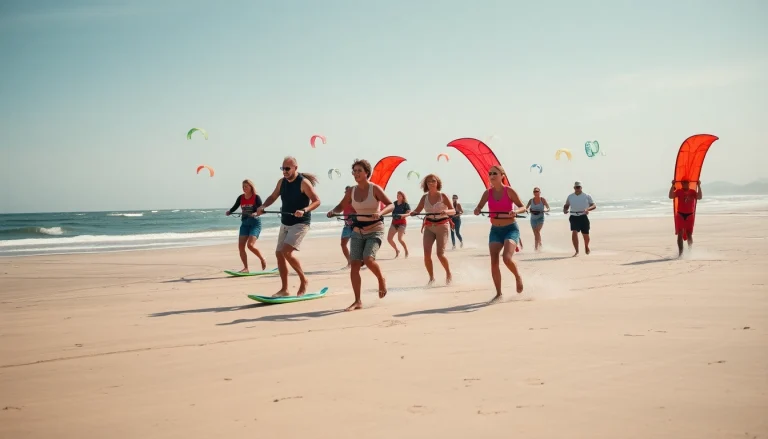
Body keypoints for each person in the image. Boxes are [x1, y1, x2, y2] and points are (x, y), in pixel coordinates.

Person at [327, 159, 394, 311]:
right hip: (357, 229)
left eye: (359, 171)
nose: (356, 174)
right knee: (355, 264)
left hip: (375, 229)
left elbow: (391, 204)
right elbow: (341, 205)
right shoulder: (351, 190)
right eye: (354, 171)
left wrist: (380, 213)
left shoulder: (374, 189)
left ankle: (381, 279)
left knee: (368, 259)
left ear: (366, 173)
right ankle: (357, 301)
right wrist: (333, 211)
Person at [256, 156, 321, 297]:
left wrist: (304, 210)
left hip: (300, 223)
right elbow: (273, 197)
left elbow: (316, 201)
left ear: (295, 168)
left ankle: (304, 280)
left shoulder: (303, 183)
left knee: (286, 252)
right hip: (286, 222)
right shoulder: (281, 182)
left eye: (287, 168)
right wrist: (263, 206)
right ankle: (285, 289)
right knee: (279, 253)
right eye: (282, 168)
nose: (284, 171)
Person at [473, 165, 526, 302]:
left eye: (495, 173)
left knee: (506, 258)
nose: (491, 175)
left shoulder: (509, 191)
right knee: (494, 262)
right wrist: (477, 210)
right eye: (490, 173)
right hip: (495, 230)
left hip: (511, 229)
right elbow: (479, 207)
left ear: (502, 175)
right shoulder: (487, 193)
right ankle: (498, 293)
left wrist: (516, 211)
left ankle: (517, 276)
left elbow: (523, 207)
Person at [409, 174, 455, 285]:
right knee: (426, 254)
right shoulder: (424, 197)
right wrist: (412, 213)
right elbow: (418, 210)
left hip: (442, 226)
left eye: (433, 181)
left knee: (440, 254)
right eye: (428, 182)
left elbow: (453, 210)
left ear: (437, 183)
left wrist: (446, 212)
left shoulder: (443, 196)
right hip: (429, 226)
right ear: (426, 184)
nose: (431, 183)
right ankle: (431, 278)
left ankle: (448, 273)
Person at [225, 180, 267, 272]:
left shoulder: (256, 197)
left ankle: (262, 258)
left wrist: (256, 213)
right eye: (243, 186)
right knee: (241, 247)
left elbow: (261, 210)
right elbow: (235, 206)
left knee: (250, 245)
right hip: (244, 224)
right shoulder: (241, 197)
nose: (244, 188)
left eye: (246, 186)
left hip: (255, 223)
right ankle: (246, 268)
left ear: (251, 187)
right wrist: (230, 211)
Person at [668, 179, 702, 257]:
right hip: (680, 214)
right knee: (680, 233)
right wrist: (672, 185)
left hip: (689, 215)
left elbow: (699, 197)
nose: (684, 184)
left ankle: (690, 251)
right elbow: (670, 196)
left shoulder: (692, 192)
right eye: (683, 183)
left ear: (689, 183)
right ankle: (681, 253)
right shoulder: (679, 191)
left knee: (689, 234)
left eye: (686, 182)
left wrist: (699, 186)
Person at [563, 181, 596, 256]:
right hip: (573, 216)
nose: (577, 189)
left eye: (579, 187)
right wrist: (565, 210)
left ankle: (586, 246)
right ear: (574, 188)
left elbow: (593, 205)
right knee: (574, 232)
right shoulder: (570, 196)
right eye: (576, 187)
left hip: (583, 217)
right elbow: (566, 205)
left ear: (581, 188)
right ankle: (577, 251)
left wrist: (587, 209)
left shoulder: (587, 196)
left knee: (586, 235)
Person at [387, 191, 411, 258]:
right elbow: (388, 209)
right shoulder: (394, 203)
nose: (398, 197)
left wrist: (402, 215)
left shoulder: (406, 204)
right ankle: (397, 250)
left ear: (402, 197)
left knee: (400, 239)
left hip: (402, 224)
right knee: (389, 239)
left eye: (399, 195)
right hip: (394, 223)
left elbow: (408, 213)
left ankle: (406, 250)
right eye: (397, 195)